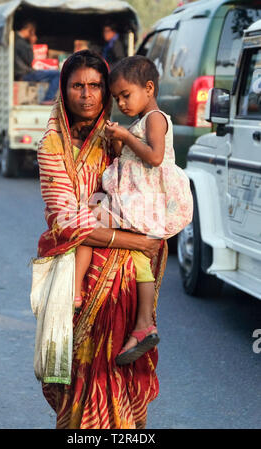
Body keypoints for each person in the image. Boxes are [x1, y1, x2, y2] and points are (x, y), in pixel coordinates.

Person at [36, 50, 168, 429]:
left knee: (124, 371)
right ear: (64, 91)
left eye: (95, 86)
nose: (87, 95)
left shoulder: (120, 136)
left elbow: (151, 193)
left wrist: (144, 239)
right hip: (76, 278)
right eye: (77, 86)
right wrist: (136, 242)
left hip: (124, 281)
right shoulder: (52, 147)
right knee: (78, 372)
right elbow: (67, 221)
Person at [74, 56, 193, 366]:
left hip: (146, 202)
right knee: (141, 260)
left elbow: (154, 157)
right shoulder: (140, 121)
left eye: (126, 95)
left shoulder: (155, 118)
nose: (122, 102)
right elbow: (128, 159)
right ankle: (143, 325)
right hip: (140, 201)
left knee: (86, 223)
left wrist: (125, 136)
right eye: (117, 98)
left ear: (149, 88)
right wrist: (118, 142)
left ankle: (75, 292)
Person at [14, 20, 59, 104]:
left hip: (21, 72)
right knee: (57, 74)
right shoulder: (21, 43)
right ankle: (47, 99)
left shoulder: (15, 39)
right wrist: (32, 43)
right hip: (24, 73)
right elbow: (29, 59)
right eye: (33, 33)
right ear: (30, 31)